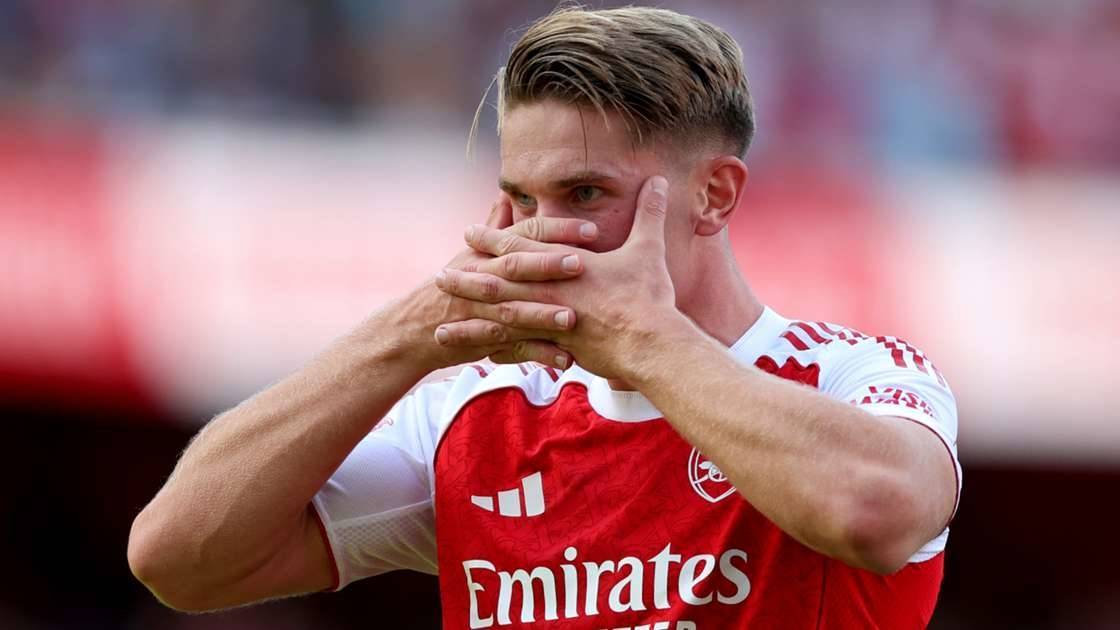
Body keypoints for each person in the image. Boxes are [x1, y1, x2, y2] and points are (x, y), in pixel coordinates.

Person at [128, 7, 960, 629]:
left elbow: (874, 514)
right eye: (522, 199)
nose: (542, 234)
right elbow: (180, 559)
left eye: (585, 193)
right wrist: (411, 332)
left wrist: (647, 342)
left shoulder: (854, 375)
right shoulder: (472, 417)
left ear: (714, 194)